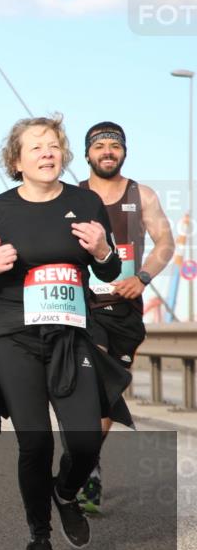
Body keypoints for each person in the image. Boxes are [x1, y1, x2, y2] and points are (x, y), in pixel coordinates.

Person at [0, 114, 132, 550]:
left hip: (72, 336)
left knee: (87, 438)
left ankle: (66, 492)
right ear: (16, 160)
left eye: (53, 145)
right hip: (14, 335)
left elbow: (109, 272)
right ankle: (39, 538)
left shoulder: (86, 202)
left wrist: (103, 252)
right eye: (35, 147)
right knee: (35, 444)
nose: (47, 153)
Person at [78, 121, 174, 513]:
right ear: (87, 155)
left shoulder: (143, 195)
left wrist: (143, 277)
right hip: (84, 309)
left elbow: (165, 242)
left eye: (113, 145)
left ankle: (88, 466)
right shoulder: (73, 197)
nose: (106, 151)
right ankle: (84, 466)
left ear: (123, 152)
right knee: (90, 383)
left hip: (126, 311)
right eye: (99, 145)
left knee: (107, 396)